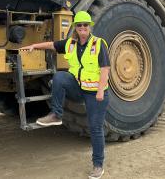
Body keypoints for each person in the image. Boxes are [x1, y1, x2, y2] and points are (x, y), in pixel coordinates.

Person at [20, 11, 110, 179]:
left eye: (85, 25)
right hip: (79, 88)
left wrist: (99, 91)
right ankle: (56, 115)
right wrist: (34, 46)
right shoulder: (70, 44)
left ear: (89, 27)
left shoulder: (98, 44)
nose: (82, 28)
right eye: (79, 25)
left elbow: (105, 69)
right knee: (60, 76)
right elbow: (52, 45)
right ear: (75, 27)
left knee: (95, 128)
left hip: (96, 94)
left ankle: (98, 165)